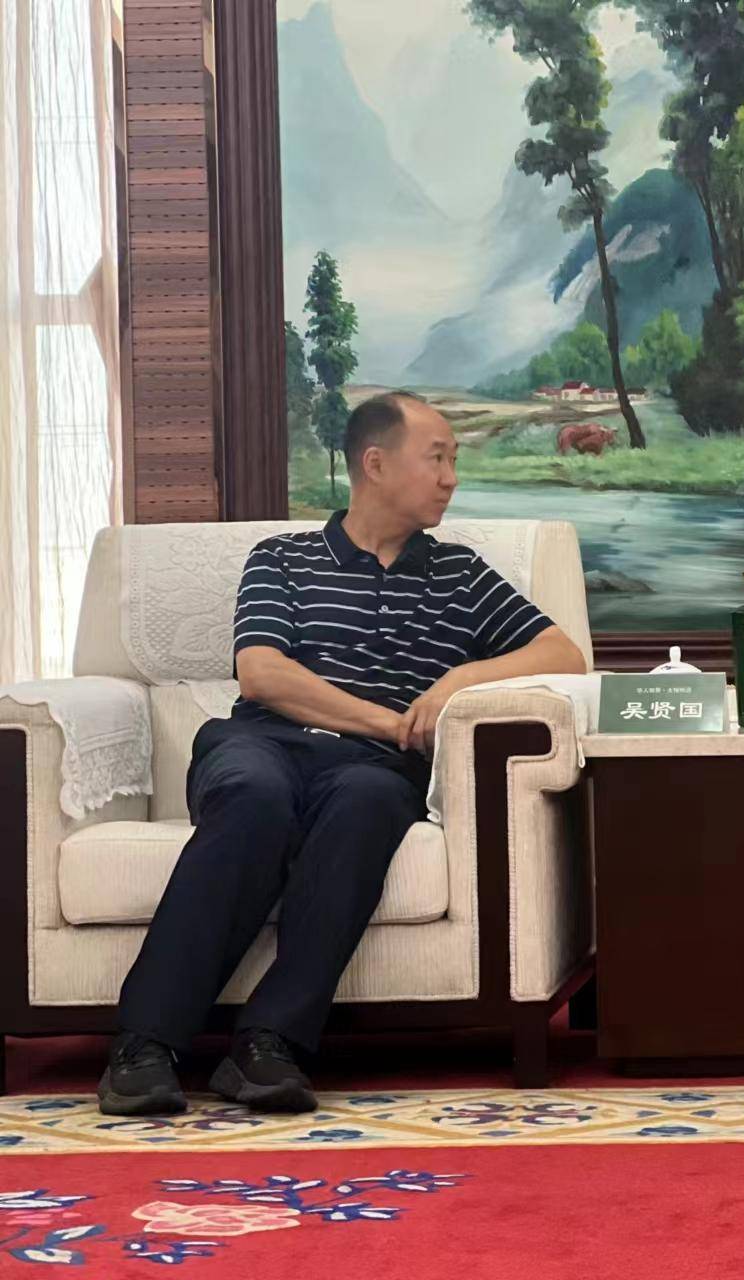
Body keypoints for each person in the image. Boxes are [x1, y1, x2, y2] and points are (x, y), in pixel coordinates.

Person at [97, 392, 587, 1116]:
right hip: (262, 741)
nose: (451, 478)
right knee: (256, 799)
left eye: (454, 460)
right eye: (437, 458)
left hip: (371, 770)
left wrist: (457, 680)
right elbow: (262, 673)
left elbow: (564, 654)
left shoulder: (461, 575)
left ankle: (270, 1043)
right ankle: (143, 1045)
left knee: (368, 802)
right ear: (376, 464)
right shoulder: (283, 559)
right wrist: (388, 721)